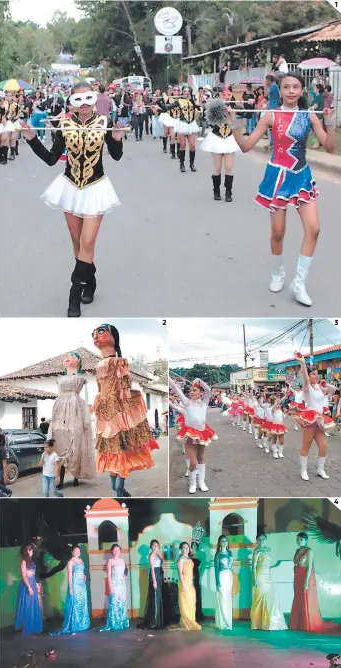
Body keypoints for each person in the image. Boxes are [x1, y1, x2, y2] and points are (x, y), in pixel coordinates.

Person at [228, 72, 336, 307]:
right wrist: (235, 125)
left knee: (314, 229)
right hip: (277, 176)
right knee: (278, 232)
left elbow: (329, 147)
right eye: (286, 87)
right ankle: (278, 273)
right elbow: (246, 146)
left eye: (295, 87)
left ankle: (299, 283)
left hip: (302, 176)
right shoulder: (270, 116)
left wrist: (330, 122)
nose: (291, 91)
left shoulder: (309, 116)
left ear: (301, 91)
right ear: (280, 90)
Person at [20, 81, 124, 318]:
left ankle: (74, 295)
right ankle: (91, 279)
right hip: (70, 187)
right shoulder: (64, 125)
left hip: (96, 188)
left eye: (88, 99)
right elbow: (51, 159)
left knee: (87, 243)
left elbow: (116, 157)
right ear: (71, 103)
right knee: (77, 244)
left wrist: (117, 140)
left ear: (94, 99)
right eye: (78, 100)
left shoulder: (104, 123)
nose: (84, 104)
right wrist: (31, 139)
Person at [92, 324, 159, 497]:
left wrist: (124, 404)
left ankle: (120, 488)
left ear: (113, 337)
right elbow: (100, 387)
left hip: (119, 408)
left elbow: (125, 386)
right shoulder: (98, 364)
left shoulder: (120, 362)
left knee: (121, 446)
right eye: (94, 334)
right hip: (105, 409)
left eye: (100, 332)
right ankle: (118, 487)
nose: (96, 337)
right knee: (108, 446)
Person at [47, 351, 97, 489]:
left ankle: (76, 476)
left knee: (75, 447)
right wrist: (53, 417)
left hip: (75, 412)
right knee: (60, 447)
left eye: (72, 356)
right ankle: (60, 480)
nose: (67, 358)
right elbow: (58, 401)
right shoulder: (59, 380)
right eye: (66, 357)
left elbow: (84, 402)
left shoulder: (80, 379)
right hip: (60, 412)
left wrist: (86, 421)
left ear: (79, 361)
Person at [169, 376, 217, 494]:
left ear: (201, 393)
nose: (191, 392)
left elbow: (208, 390)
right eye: (190, 391)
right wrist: (168, 378)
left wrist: (199, 380)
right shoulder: (187, 402)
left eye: (194, 390)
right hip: (190, 434)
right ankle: (193, 484)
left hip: (202, 433)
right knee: (193, 462)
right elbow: (175, 388)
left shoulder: (204, 403)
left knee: (201, 459)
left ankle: (201, 482)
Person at [293, 352, 335, 481]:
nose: (316, 376)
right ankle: (303, 470)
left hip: (319, 420)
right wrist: (302, 363)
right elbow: (305, 376)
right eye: (314, 374)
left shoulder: (318, 387)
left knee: (324, 446)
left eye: (317, 374)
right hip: (310, 418)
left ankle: (320, 469)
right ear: (309, 376)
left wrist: (325, 385)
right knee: (307, 445)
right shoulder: (307, 388)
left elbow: (334, 390)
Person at [289, 532, 339, 633]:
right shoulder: (298, 550)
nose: (299, 541)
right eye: (298, 540)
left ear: (306, 540)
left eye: (301, 539)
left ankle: (307, 623)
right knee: (298, 598)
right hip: (297, 576)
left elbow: (309, 567)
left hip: (304, 576)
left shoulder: (309, 551)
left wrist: (306, 581)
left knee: (305, 598)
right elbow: (295, 562)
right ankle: (297, 623)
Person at [201, 94, 240, 202]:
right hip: (216, 139)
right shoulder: (215, 109)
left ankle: (228, 192)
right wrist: (220, 112)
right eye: (224, 95)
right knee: (217, 168)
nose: (226, 97)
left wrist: (232, 116)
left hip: (229, 139)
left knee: (229, 166)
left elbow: (235, 126)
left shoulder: (233, 109)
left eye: (229, 95)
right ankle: (216, 190)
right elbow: (212, 122)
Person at [159, 85, 201, 172]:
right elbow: (167, 108)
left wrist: (191, 99)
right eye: (184, 91)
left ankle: (191, 164)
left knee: (192, 145)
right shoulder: (179, 101)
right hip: (182, 124)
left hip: (191, 124)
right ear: (182, 92)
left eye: (188, 90)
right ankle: (182, 164)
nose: (186, 92)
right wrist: (158, 102)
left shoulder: (193, 100)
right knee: (182, 145)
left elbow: (199, 108)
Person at [250, 533, 287, 631]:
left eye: (263, 539)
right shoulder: (256, 551)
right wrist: (254, 579)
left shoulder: (269, 550)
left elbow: (269, 564)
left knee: (270, 598)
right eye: (259, 539)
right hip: (260, 575)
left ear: (266, 539)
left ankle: (270, 623)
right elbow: (253, 567)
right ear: (257, 540)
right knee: (260, 597)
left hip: (268, 575)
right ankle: (258, 623)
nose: (262, 541)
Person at [51, 546, 90, 635]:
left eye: (78, 551)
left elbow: (82, 571)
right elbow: (70, 576)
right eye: (75, 551)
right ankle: (75, 625)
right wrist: (71, 588)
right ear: (72, 552)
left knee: (82, 603)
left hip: (82, 585)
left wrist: (84, 575)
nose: (77, 552)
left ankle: (82, 624)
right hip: (75, 585)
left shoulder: (81, 561)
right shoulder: (70, 562)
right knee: (75, 603)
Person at [99, 544, 129, 631]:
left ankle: (122, 622)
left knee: (122, 602)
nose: (116, 551)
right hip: (114, 583)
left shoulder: (122, 560)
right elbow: (109, 575)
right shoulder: (110, 561)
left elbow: (125, 570)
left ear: (120, 551)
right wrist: (110, 587)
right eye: (114, 550)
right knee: (114, 602)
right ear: (112, 551)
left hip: (122, 584)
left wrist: (125, 575)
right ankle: (115, 623)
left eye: (117, 549)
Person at [15, 544, 43, 636]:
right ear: (28, 551)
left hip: (32, 582)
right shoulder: (24, 562)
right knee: (27, 604)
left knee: (33, 604)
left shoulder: (31, 561)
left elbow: (33, 574)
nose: (32, 552)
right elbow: (24, 576)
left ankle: (34, 625)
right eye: (31, 550)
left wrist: (35, 585)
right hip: (27, 584)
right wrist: (29, 587)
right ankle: (27, 626)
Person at [137, 539, 164, 630]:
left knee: (158, 598)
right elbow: (152, 569)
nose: (155, 547)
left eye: (157, 545)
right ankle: (154, 621)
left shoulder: (158, 555)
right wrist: (154, 581)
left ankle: (158, 620)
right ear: (151, 547)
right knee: (155, 598)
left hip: (159, 575)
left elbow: (161, 566)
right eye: (153, 545)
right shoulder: (151, 556)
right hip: (155, 576)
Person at [177, 542, 201, 631]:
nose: (186, 549)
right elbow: (180, 573)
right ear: (181, 549)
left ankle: (191, 620)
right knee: (185, 603)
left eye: (187, 547)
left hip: (190, 582)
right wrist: (183, 585)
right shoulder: (181, 559)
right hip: (185, 582)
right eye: (184, 547)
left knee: (191, 603)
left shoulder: (188, 558)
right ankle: (187, 621)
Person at [214, 535, 233, 631]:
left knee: (228, 599)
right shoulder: (218, 555)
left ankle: (228, 622)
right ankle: (222, 622)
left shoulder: (230, 553)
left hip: (229, 576)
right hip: (222, 577)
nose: (224, 542)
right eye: (222, 541)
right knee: (222, 598)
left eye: (226, 540)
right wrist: (217, 583)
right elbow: (216, 570)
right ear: (219, 543)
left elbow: (231, 566)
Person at [190, 541, 204, 622]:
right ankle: (191, 613)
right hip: (190, 575)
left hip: (197, 574)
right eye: (193, 545)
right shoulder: (188, 554)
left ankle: (198, 613)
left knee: (197, 593)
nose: (194, 546)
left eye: (195, 545)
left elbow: (203, 566)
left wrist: (201, 575)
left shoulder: (200, 554)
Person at [0, 428, 10, 497]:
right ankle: (7, 492)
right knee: (0, 483)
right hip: (0, 463)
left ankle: (5, 496)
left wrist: (6, 477)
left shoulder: (2, 447)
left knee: (0, 482)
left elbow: (5, 464)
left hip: (2, 462)